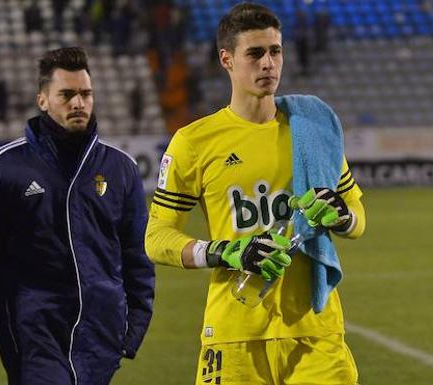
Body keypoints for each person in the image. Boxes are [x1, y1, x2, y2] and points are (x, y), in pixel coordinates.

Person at [145, 3, 366, 385]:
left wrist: (343, 215)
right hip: (235, 335)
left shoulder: (312, 128)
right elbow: (156, 238)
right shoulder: (194, 143)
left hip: (316, 331)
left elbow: (357, 216)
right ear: (227, 59)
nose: (268, 63)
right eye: (256, 53)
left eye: (275, 51)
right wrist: (224, 252)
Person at [0, 47, 155, 385]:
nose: (78, 103)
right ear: (42, 100)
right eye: (66, 95)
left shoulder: (120, 168)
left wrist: (135, 323)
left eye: (85, 94)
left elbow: (137, 254)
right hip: (35, 330)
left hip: (99, 331)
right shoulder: (5, 166)